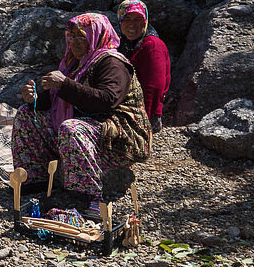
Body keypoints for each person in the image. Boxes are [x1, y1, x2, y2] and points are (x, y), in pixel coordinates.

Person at [12, 12, 151, 201]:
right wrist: (34, 99)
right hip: (90, 127)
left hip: (119, 136)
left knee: (72, 128)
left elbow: (107, 100)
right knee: (26, 114)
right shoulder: (74, 64)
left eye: (81, 36)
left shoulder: (111, 63)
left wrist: (64, 84)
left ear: (97, 35)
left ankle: (84, 195)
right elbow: (56, 101)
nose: (74, 42)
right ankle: (35, 179)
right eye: (71, 36)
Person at [115, 0, 171, 132]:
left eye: (137, 19)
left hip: (142, 114)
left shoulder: (152, 46)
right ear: (120, 21)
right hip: (125, 108)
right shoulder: (122, 43)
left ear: (145, 21)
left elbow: (153, 87)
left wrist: (141, 122)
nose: (132, 25)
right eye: (127, 19)